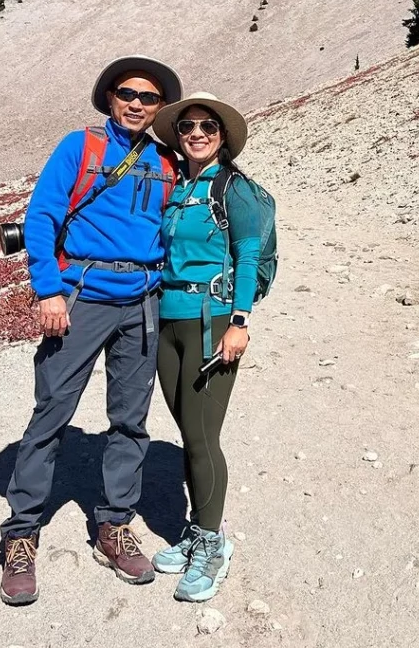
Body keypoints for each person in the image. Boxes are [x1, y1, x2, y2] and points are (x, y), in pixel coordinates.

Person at [0, 56, 183, 605]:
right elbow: (41, 218)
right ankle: (21, 533)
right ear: (109, 98)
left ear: (158, 109)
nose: (136, 103)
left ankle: (114, 524)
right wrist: (47, 289)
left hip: (143, 303)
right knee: (52, 413)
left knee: (130, 419)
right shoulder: (79, 148)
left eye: (149, 99)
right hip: (80, 299)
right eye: (126, 93)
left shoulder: (166, 161)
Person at [149, 92, 262, 602]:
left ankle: (213, 543)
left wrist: (239, 322)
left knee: (200, 435)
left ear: (222, 136)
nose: (196, 133)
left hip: (210, 319)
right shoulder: (178, 185)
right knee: (184, 425)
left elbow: (249, 250)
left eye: (207, 126)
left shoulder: (231, 187)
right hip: (167, 319)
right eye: (188, 126)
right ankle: (197, 529)